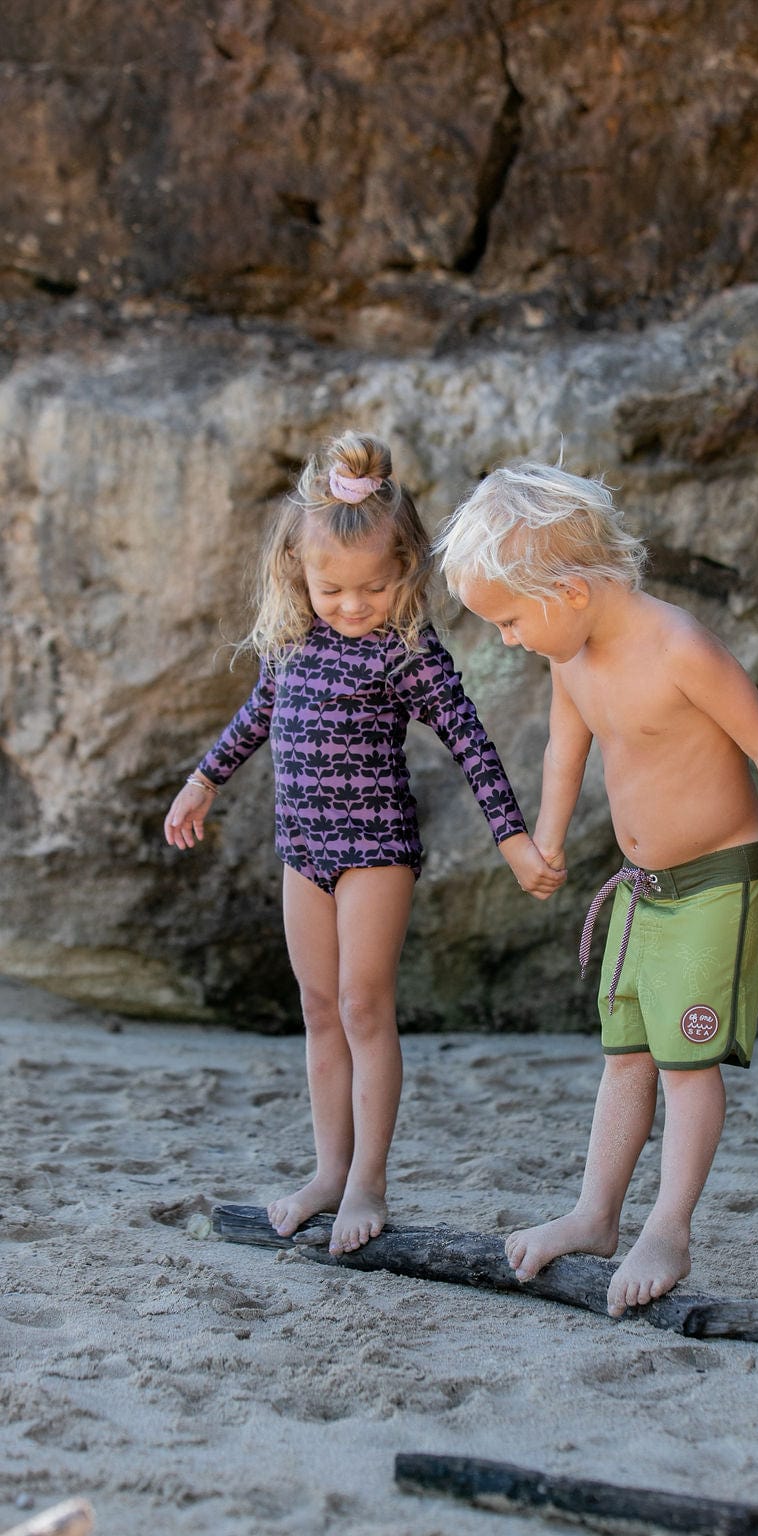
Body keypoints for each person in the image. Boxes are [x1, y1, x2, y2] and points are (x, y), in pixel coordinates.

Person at [436, 461, 758, 1317]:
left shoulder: (678, 646)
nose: (507, 639)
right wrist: (545, 840)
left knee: (687, 1064)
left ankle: (669, 1228)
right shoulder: (572, 656)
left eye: (509, 620)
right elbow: (565, 749)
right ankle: (595, 1214)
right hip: (640, 889)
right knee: (625, 1055)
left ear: (570, 590)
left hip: (717, 883)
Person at [164, 433, 563, 1257]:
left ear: (406, 569)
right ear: (298, 572)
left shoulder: (406, 652)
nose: (352, 605)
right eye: (332, 588)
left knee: (361, 1007)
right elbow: (256, 718)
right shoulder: (290, 643)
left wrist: (515, 841)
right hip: (301, 851)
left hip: (375, 848)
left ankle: (368, 1183)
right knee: (318, 1010)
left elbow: (471, 741)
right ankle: (328, 1172)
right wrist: (203, 780)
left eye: (373, 587)